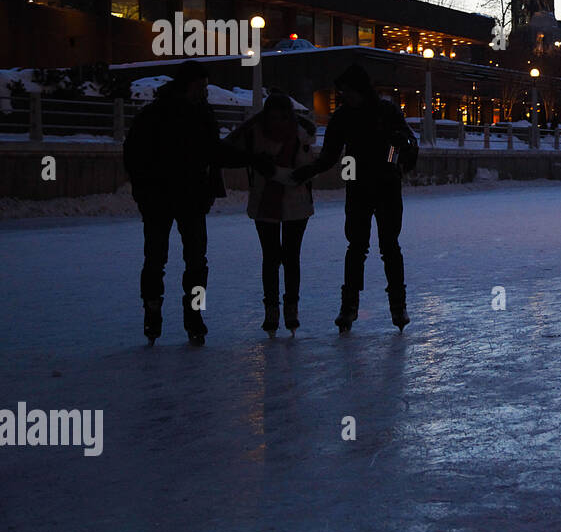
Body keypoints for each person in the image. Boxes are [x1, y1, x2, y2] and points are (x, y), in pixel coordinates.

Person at [124, 60, 271, 346]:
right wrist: (250, 159)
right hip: (174, 198)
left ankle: (165, 314)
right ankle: (185, 316)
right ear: (188, 84)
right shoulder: (179, 115)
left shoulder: (165, 113)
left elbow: (212, 152)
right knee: (184, 261)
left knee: (166, 260)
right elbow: (213, 152)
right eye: (201, 86)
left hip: (174, 199)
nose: (205, 91)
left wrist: (142, 190)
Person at [292, 64, 417, 332]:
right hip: (359, 187)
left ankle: (398, 306)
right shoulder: (343, 117)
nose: (342, 95)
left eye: (346, 91)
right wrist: (308, 171)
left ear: (359, 89)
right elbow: (330, 155)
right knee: (357, 247)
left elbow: (405, 141)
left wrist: (393, 161)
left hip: (386, 187)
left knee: (389, 246)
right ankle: (349, 308)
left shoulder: (386, 111)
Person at [226, 92, 317, 336]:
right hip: (271, 202)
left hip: (291, 203)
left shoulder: (296, 134)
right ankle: (275, 308)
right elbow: (228, 150)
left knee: (287, 257)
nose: (277, 121)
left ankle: (286, 307)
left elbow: (307, 167)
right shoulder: (259, 133)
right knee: (274, 257)